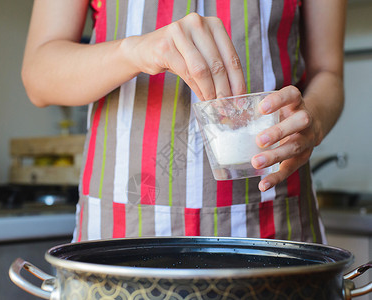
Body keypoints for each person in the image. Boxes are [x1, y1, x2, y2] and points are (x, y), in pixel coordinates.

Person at [22, 0, 346, 243]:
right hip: (121, 229)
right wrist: (134, 51)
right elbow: (38, 75)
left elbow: (328, 73)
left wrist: (313, 118)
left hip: (270, 227)